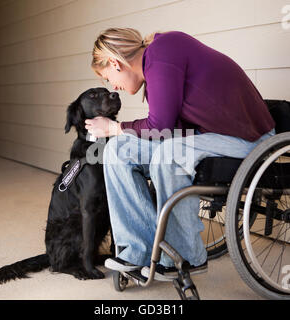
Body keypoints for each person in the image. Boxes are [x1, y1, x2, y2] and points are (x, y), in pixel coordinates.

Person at [85, 28, 275, 281]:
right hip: (207, 134)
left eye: (107, 79)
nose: (113, 86)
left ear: (114, 63)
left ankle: (185, 257)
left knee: (169, 153)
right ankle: (137, 251)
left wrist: (114, 127)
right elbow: (169, 129)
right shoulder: (154, 69)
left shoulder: (163, 51)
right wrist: (119, 135)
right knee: (119, 150)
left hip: (247, 137)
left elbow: (159, 126)